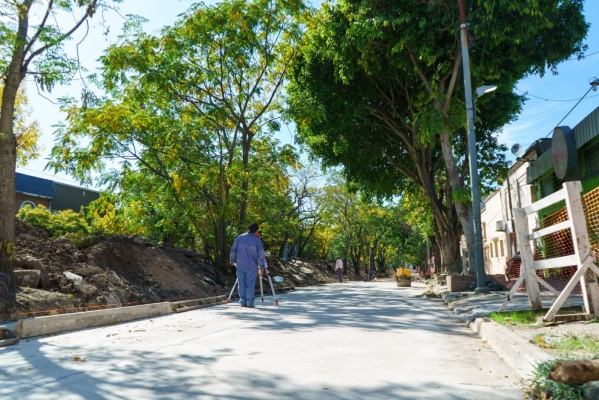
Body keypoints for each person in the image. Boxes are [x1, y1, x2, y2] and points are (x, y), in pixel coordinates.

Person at [229, 223, 267, 308]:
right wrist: (262, 266)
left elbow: (233, 250)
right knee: (250, 284)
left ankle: (242, 302)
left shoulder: (239, 237)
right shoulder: (257, 241)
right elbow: (261, 255)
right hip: (251, 266)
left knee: (241, 284)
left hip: (240, 266)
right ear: (256, 231)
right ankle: (249, 302)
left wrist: (232, 260)